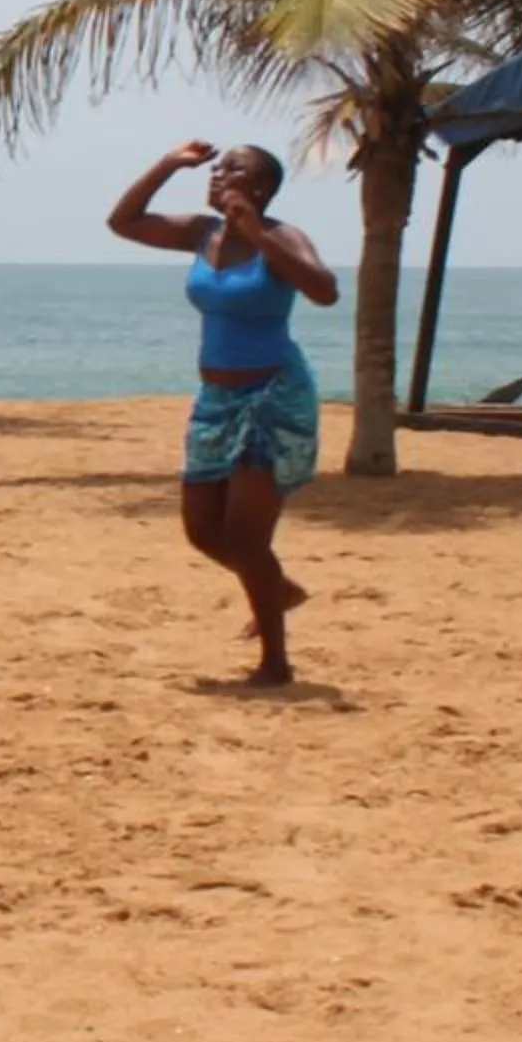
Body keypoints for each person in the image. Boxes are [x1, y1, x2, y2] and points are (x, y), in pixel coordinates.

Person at [107, 140, 339, 687]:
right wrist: (168, 163)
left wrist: (257, 232)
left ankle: (276, 662)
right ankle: (277, 590)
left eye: (231, 170)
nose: (217, 176)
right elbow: (124, 222)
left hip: (272, 398)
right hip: (215, 399)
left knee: (246, 539)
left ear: (259, 188)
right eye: (215, 169)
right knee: (202, 531)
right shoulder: (200, 234)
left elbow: (324, 290)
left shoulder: (281, 237)